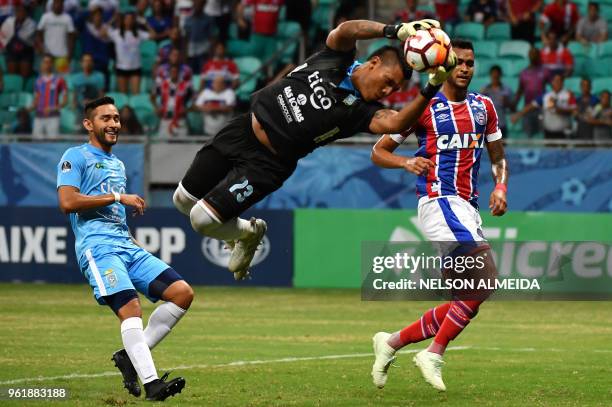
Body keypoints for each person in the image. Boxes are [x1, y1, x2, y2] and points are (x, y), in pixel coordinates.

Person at [172, 18, 457, 280]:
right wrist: (395, 29)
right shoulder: (337, 59)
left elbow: (395, 121)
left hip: (267, 164)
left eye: (394, 89)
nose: (388, 92)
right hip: (243, 129)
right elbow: (346, 29)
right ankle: (233, 231)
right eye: (387, 82)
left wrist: (431, 87)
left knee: (201, 219)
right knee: (182, 201)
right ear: (374, 61)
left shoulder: (361, 111)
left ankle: (248, 234)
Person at [369, 39, 508, 392]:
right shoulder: (425, 108)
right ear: (440, 68)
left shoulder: (484, 108)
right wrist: (406, 161)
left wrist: (501, 187)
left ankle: (392, 342)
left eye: (469, 63)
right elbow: (379, 151)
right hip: (438, 200)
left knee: (469, 297)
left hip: (468, 207)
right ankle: (433, 353)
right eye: (458, 62)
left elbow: (497, 156)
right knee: (486, 278)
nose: (464, 68)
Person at [56, 96, 191, 401]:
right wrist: (118, 197)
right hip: (98, 248)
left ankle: (128, 357)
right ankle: (152, 383)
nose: (114, 124)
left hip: (125, 246)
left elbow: (114, 215)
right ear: (89, 125)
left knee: (181, 293)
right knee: (130, 308)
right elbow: (67, 202)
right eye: (106, 118)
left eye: (116, 118)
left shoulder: (117, 164)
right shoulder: (74, 157)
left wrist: (130, 238)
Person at [513, 73, 576, 139]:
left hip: (563, 132)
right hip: (549, 132)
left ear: (562, 82)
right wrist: (518, 115)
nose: (556, 83)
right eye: (554, 81)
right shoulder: (546, 96)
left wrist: (557, 108)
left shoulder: (569, 95)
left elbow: (574, 110)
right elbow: (531, 106)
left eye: (558, 81)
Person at [106, 12, 152, 94]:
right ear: (123, 21)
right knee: (123, 97)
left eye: (131, 19)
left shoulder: (138, 33)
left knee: (136, 96)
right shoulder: (117, 33)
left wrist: (145, 23)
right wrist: (113, 19)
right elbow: (103, 32)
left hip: (135, 68)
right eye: (127, 19)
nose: (129, 21)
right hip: (121, 68)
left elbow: (153, 35)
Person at [512, 47, 550, 137]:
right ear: (529, 56)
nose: (533, 56)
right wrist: (514, 105)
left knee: (541, 134)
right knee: (527, 135)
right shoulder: (524, 73)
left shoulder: (545, 71)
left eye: (535, 54)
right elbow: (520, 90)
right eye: (531, 54)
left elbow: (553, 89)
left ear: (539, 56)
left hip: (541, 109)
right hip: (527, 110)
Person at [30, 55, 68, 138]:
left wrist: (53, 108)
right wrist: (30, 107)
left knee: (52, 143)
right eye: (44, 62)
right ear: (41, 64)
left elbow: (65, 101)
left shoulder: (59, 80)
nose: (46, 64)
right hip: (39, 116)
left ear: (52, 64)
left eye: (48, 62)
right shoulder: (38, 81)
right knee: (36, 143)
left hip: (53, 117)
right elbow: (36, 99)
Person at [152, 64, 193, 137]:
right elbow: (152, 96)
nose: (174, 73)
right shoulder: (162, 84)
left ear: (179, 73)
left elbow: (194, 99)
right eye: (172, 71)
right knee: (163, 145)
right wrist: (156, 108)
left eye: (176, 72)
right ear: (169, 73)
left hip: (180, 120)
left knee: (183, 145)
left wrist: (187, 109)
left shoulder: (186, 85)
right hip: (166, 119)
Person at [36, 0, 75, 74]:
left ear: (63, 5)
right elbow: (38, 34)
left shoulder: (67, 18)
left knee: (63, 80)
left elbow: (72, 37)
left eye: (60, 3)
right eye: (56, 3)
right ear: (52, 4)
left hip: (63, 56)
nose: (58, 5)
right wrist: (42, 50)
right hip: (48, 56)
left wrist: (70, 54)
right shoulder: (45, 17)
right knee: (47, 79)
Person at [1, 3, 36, 78]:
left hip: (26, 52)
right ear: (15, 12)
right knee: (12, 76)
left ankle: (24, 89)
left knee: (25, 75)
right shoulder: (8, 22)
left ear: (26, 13)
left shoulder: (31, 24)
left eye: (23, 11)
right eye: (18, 11)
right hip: (12, 51)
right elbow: (3, 34)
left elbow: (25, 37)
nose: (21, 13)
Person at [481, 65, 513, 136]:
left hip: (501, 124)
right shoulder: (485, 90)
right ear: (490, 75)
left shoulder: (506, 90)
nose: (495, 76)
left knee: (502, 146)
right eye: (493, 75)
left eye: (497, 75)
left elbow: (512, 108)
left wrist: (506, 102)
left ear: (500, 75)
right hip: (488, 125)